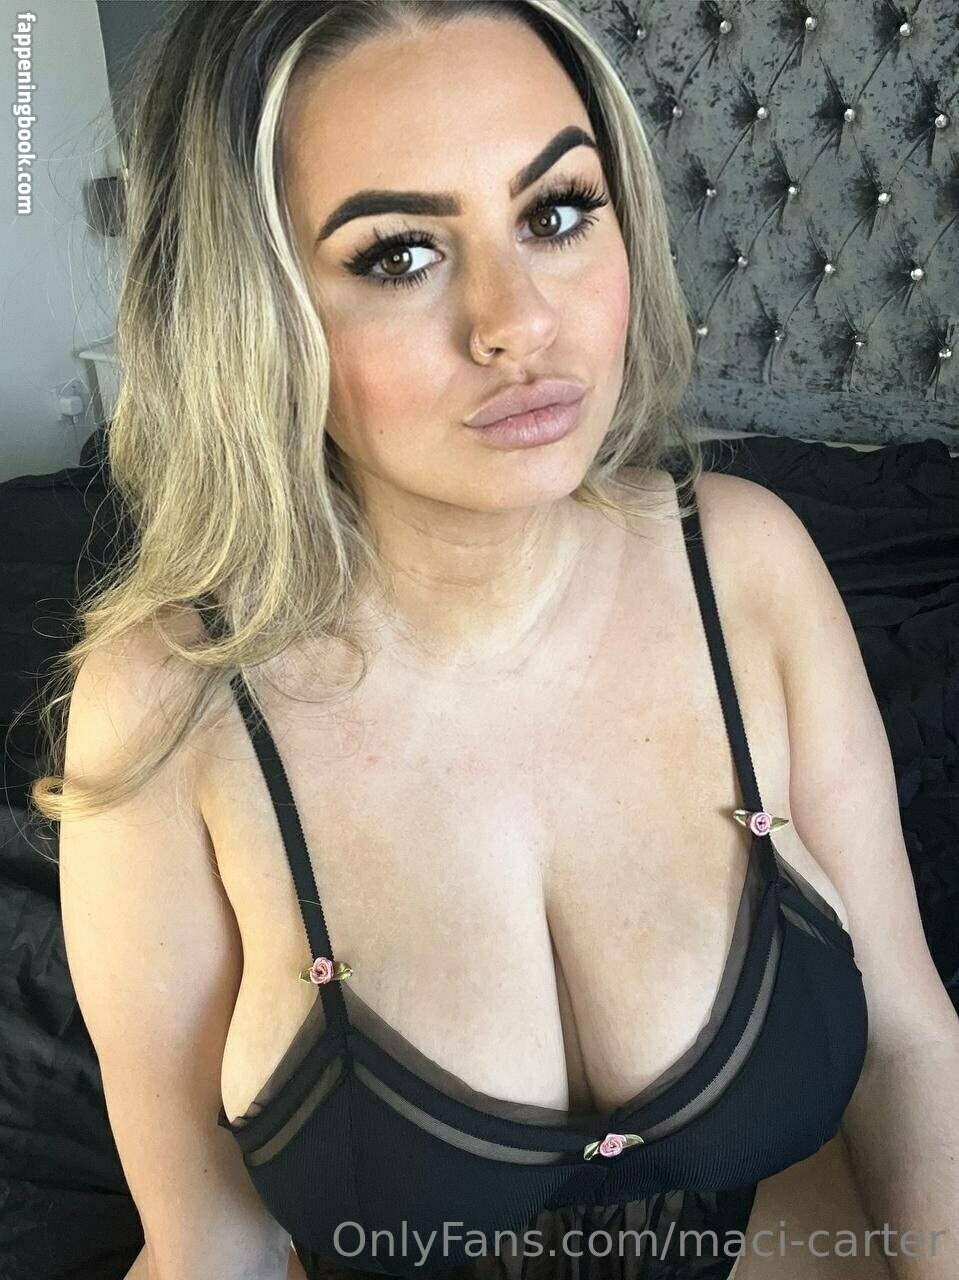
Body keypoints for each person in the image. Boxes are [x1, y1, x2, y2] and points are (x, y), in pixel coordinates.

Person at [43, 3, 957, 1279]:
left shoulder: (748, 565)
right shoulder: (167, 701)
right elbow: (206, 1243)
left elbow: (908, 1042)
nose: (516, 321)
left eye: (557, 211)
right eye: (398, 253)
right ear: (251, 310)